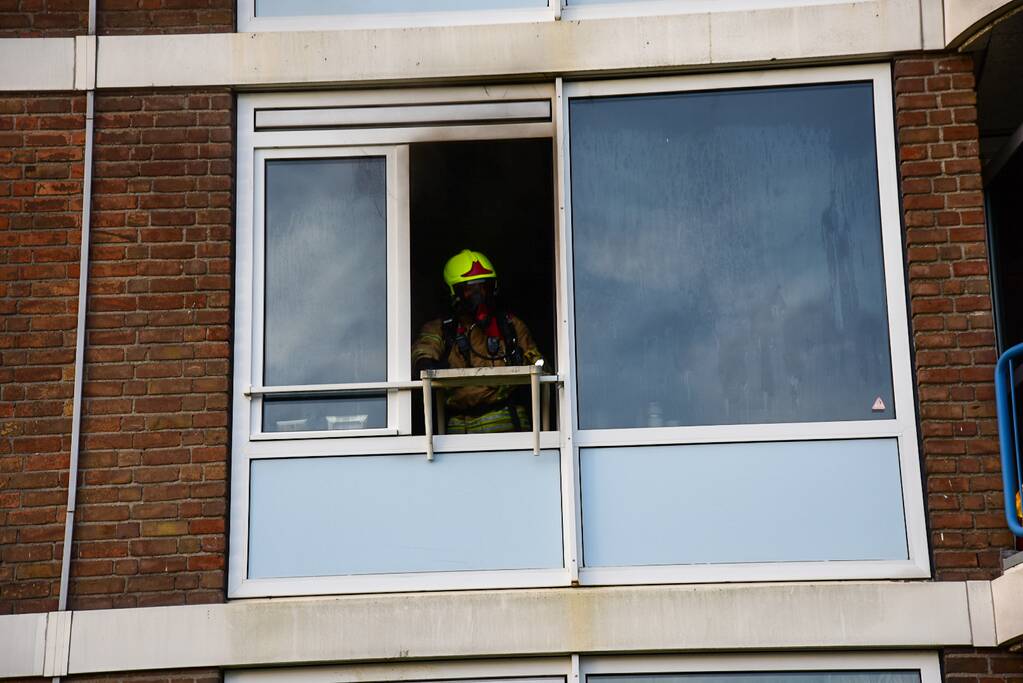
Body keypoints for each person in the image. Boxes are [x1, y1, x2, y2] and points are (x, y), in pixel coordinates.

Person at [412, 249, 544, 434]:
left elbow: (541, 367)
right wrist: (426, 363)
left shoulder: (509, 325)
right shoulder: (441, 329)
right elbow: (424, 352)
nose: (479, 295)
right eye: (469, 289)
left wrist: (531, 362)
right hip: (460, 425)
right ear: (453, 293)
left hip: (509, 425)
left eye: (484, 287)